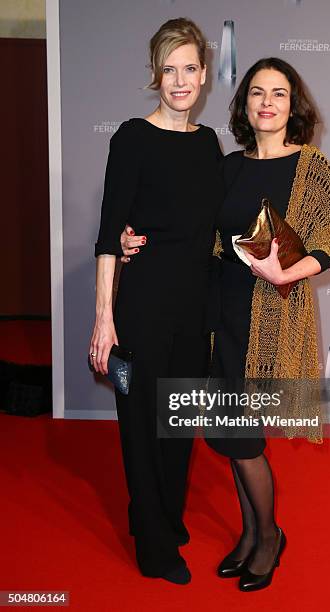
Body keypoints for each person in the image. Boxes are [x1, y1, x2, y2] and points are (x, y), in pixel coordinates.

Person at [121, 57, 330, 592]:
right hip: (216, 314)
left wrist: (289, 268)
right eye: (256, 93)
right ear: (245, 105)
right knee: (226, 433)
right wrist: (131, 240)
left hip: (269, 317)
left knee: (242, 438)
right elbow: (190, 228)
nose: (267, 102)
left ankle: (269, 537)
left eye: (279, 94)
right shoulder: (228, 166)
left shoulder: (312, 167)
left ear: (294, 106)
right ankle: (250, 535)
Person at [89, 18, 223, 585]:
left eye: (188, 68)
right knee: (141, 420)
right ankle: (152, 541)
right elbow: (107, 234)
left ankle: (164, 514)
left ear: (204, 74)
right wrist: (104, 318)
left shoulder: (210, 143)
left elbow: (216, 227)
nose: (179, 80)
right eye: (168, 69)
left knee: (178, 419)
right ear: (154, 74)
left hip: (195, 308)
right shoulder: (132, 137)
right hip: (142, 307)